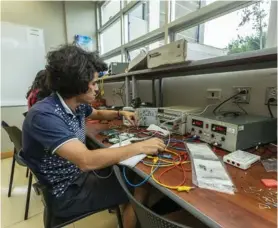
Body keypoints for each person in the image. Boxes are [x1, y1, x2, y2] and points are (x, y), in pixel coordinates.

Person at [22, 45, 165, 228]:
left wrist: (121, 113)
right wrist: (141, 146)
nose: (97, 88)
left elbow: (97, 113)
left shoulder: (74, 103)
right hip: (66, 192)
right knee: (141, 183)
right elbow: (87, 160)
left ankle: (122, 209)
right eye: (94, 83)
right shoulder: (44, 115)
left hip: (75, 175)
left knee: (124, 170)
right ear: (78, 84)